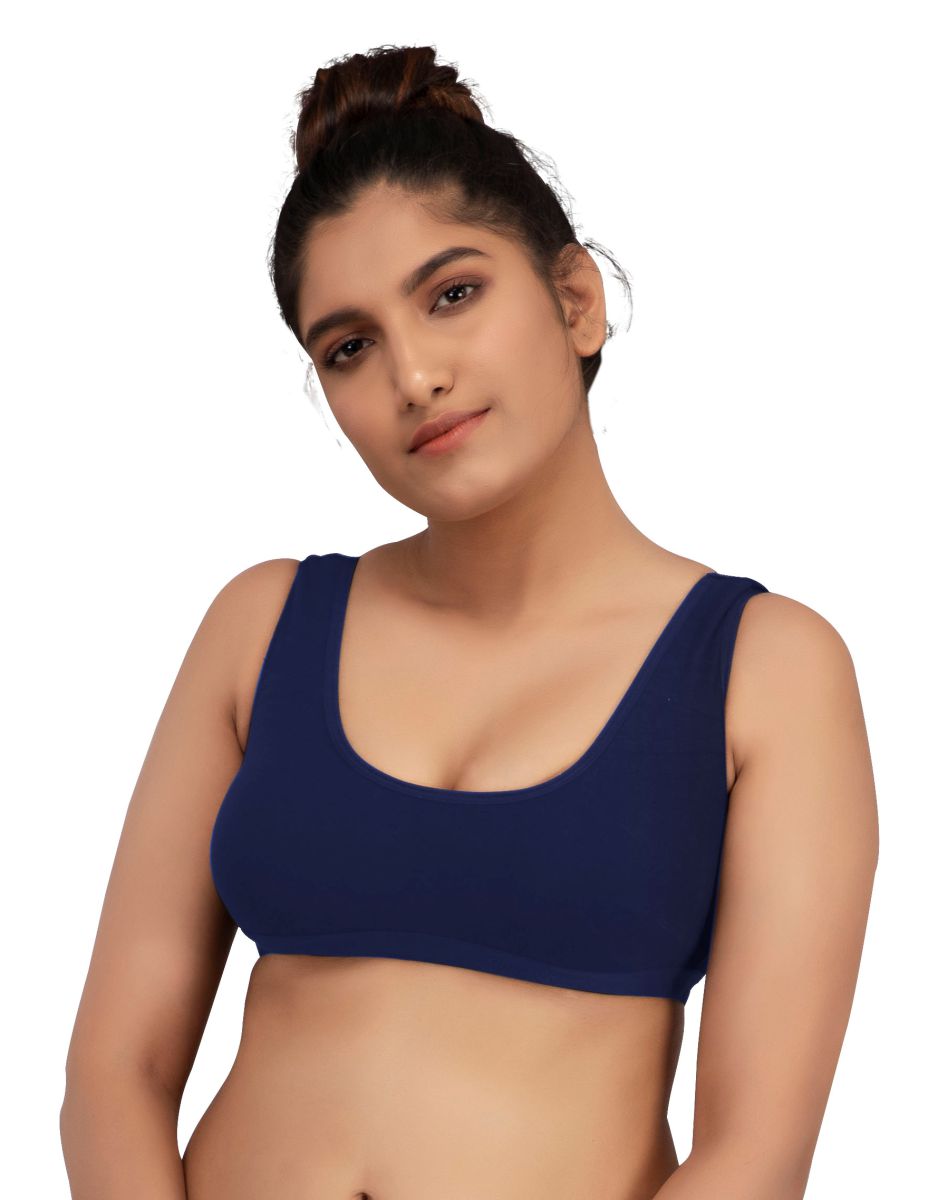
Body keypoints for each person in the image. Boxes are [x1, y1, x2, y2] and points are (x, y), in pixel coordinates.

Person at [60, 43, 879, 1200]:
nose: (413, 376)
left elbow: (755, 1155)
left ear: (575, 301)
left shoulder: (763, 669)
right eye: (349, 347)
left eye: (452, 294)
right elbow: (116, 1070)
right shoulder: (264, 625)